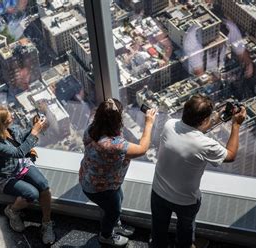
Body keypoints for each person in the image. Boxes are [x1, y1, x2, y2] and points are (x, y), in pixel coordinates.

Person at [150, 94, 246, 248]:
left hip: (158, 192)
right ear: (203, 120)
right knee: (186, 229)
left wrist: (214, 119)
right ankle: (185, 245)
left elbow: (192, 130)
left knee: (158, 228)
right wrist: (236, 125)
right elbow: (231, 155)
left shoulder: (170, 124)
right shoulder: (206, 145)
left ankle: (157, 245)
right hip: (185, 200)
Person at [79, 98, 157, 247]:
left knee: (118, 199)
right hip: (101, 188)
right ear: (116, 120)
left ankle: (115, 224)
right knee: (113, 211)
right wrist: (149, 123)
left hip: (91, 179)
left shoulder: (92, 129)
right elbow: (142, 148)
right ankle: (106, 235)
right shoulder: (114, 145)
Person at [0, 106, 55, 245]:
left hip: (22, 165)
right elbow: (18, 153)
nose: (13, 117)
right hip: (7, 175)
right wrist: (34, 132)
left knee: (44, 186)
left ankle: (46, 222)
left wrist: (33, 126)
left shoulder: (11, 129)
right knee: (32, 194)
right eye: (9, 117)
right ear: (2, 123)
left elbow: (22, 137)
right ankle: (12, 210)